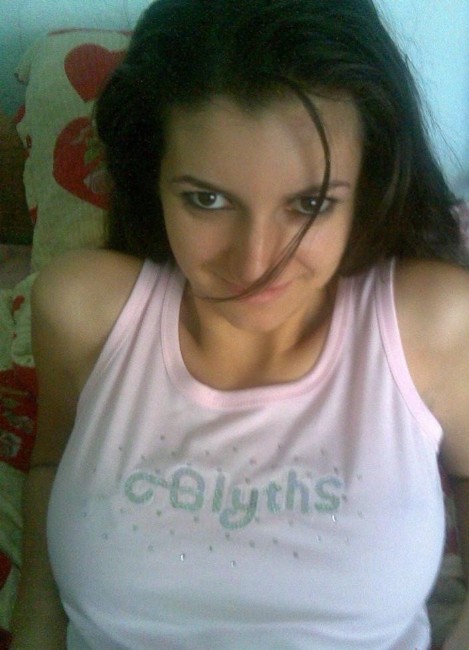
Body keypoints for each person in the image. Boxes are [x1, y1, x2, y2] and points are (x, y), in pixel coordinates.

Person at [10, 0, 469, 648]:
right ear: (151, 179)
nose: (255, 263)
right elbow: (51, 463)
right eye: (207, 199)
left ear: (368, 185)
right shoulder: (84, 311)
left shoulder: (432, 324)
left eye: (310, 203)